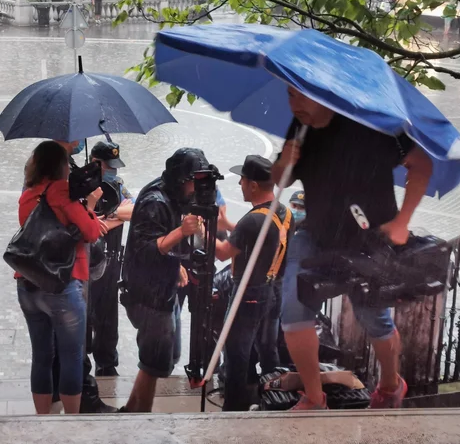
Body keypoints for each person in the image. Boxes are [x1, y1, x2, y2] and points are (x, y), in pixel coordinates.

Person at [272, 87, 433, 410]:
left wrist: (402, 222)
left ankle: (391, 385)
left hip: (369, 238)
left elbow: (421, 164)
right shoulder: (299, 127)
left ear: (324, 93)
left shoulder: (373, 124)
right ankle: (314, 399)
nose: (293, 104)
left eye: (300, 96)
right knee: (293, 309)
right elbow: (281, 180)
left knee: (373, 318)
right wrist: (283, 163)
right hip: (316, 235)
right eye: (289, 94)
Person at [23, 139, 116, 414]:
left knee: (41, 356)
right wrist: (89, 203)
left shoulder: (28, 193)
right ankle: (70, 425)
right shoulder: (62, 191)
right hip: (63, 284)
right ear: (62, 165)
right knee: (72, 356)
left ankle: (42, 418)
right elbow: (89, 231)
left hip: (28, 283)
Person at [120, 148, 206, 412]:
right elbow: (146, 251)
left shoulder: (174, 196)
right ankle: (140, 418)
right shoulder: (155, 201)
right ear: (182, 179)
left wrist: (177, 260)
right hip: (150, 294)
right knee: (154, 362)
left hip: (164, 289)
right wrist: (182, 231)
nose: (197, 188)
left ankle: (132, 410)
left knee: (164, 359)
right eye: (195, 181)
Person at [214, 155, 294, 411]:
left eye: (243, 180)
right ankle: (275, 397)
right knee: (268, 349)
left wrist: (200, 230)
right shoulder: (284, 212)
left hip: (248, 293)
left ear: (254, 185)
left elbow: (224, 253)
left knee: (237, 352)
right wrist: (228, 224)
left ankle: (234, 407)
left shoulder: (252, 220)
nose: (240, 184)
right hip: (274, 288)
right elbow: (261, 233)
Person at [89, 140, 134, 377]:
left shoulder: (117, 186)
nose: (113, 171)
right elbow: (87, 226)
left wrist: (111, 217)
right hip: (85, 263)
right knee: (83, 315)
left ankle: (107, 364)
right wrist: (115, 217)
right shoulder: (82, 187)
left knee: (108, 314)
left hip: (112, 260)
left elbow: (134, 210)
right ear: (95, 163)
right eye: (108, 166)